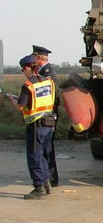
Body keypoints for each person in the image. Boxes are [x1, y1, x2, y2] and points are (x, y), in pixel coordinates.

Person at [8, 55, 56, 199]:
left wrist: (13, 100)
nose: (23, 72)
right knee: (44, 156)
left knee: (34, 156)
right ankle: (47, 183)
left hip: (35, 125)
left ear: (28, 68)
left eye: (23, 69)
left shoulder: (28, 85)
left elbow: (21, 105)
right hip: (49, 124)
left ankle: (39, 187)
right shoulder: (49, 82)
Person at [32, 45, 59, 187]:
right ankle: (49, 177)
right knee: (46, 147)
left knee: (46, 148)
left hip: (47, 116)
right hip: (48, 115)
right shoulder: (45, 71)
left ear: (38, 58)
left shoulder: (47, 73)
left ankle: (50, 178)